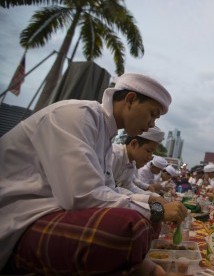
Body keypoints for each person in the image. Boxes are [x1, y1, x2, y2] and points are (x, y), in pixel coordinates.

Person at [0, 73, 187, 275]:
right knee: (132, 227)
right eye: (152, 114)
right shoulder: (78, 116)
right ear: (131, 100)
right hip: (18, 217)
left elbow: (108, 190)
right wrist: (156, 210)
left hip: (49, 210)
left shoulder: (105, 135)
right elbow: (83, 196)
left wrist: (150, 200)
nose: (151, 124)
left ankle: (137, 266)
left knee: (145, 223)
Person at [112, 126, 167, 205]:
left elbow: (129, 186)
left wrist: (154, 197)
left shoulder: (131, 162)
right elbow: (109, 190)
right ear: (134, 144)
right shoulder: (114, 155)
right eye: (148, 151)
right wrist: (150, 198)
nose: (150, 157)